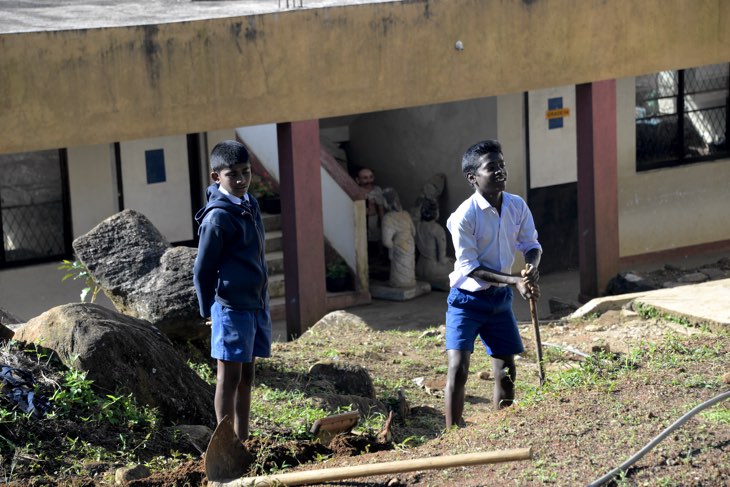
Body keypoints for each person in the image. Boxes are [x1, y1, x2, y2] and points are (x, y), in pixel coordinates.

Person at [444, 139, 542, 428]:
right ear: (473, 178)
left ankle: (502, 427)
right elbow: (471, 269)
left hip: (499, 301)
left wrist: (530, 270)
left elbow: (531, 244)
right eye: (491, 167)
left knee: (506, 369)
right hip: (466, 300)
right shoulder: (464, 216)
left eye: (502, 165)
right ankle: (452, 431)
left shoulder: (516, 205)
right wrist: (514, 281)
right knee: (458, 368)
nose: (500, 171)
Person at [193, 140, 272, 441]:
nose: (240, 180)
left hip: (255, 304)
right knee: (229, 377)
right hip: (230, 308)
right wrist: (207, 310)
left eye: (246, 173)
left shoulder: (250, 204)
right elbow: (202, 270)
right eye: (232, 175)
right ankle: (226, 443)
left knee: (248, 375)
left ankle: (243, 438)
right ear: (216, 177)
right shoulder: (217, 218)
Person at [381, 187, 416, 288]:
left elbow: (386, 241)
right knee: (409, 266)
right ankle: (409, 282)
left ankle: (400, 283)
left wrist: (393, 246)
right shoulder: (406, 214)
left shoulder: (388, 218)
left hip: (399, 246)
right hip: (410, 244)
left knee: (399, 272)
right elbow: (413, 232)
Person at [355, 167, 386, 259]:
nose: (369, 180)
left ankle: (379, 256)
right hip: (360, 221)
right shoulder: (355, 191)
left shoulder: (377, 190)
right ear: (357, 180)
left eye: (371, 177)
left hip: (373, 220)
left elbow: (381, 208)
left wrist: (383, 223)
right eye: (365, 178)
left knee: (376, 239)